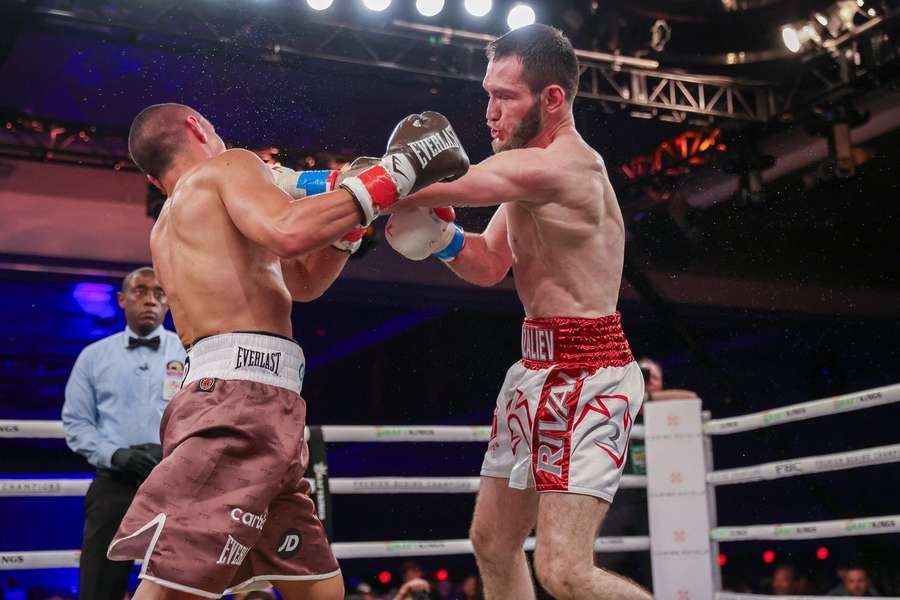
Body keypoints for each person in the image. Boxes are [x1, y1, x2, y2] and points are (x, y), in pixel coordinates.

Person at [105, 103, 468, 599]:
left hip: (257, 403)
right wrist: (398, 170)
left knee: (319, 589)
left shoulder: (175, 221)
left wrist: (352, 224)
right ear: (196, 127)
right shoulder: (228, 166)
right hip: (238, 404)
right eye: (213, 124)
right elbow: (290, 231)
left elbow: (301, 281)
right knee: (174, 586)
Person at [386, 24, 650, 600]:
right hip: (534, 369)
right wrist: (444, 241)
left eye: (505, 97)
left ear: (552, 98)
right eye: (488, 94)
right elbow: (487, 264)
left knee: (564, 571)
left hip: (590, 376)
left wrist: (305, 184)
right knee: (493, 543)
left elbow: (454, 183)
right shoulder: (524, 172)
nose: (489, 112)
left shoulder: (564, 168)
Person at [62, 267, 185, 600]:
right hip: (114, 482)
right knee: (99, 586)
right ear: (121, 300)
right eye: (140, 291)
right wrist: (115, 454)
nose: (150, 301)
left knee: (179, 584)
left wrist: (172, 451)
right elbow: (76, 423)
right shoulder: (93, 357)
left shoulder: (190, 354)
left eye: (159, 294)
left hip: (175, 484)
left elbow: (205, 415)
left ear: (169, 302)